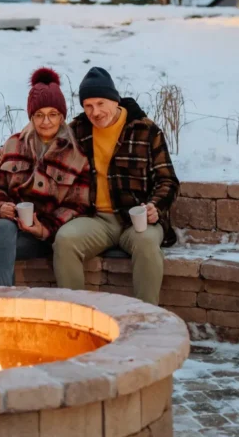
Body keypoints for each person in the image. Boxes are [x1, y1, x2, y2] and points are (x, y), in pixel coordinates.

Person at [52, 66, 179, 305]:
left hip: (138, 219)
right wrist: (4, 153)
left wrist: (155, 206)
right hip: (96, 220)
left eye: (101, 103)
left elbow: (167, 180)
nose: (95, 112)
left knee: (146, 245)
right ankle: (75, 318)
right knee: (65, 240)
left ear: (114, 100)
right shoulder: (78, 130)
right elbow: (46, 147)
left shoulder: (145, 130)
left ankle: (147, 317)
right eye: (88, 106)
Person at [0, 68, 91, 287]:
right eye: (39, 115)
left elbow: (78, 205)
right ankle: (4, 298)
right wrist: (0, 206)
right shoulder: (14, 144)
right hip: (8, 230)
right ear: (31, 117)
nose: (46, 121)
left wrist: (43, 229)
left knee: (7, 245)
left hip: (44, 237)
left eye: (52, 114)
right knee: (2, 227)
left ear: (61, 117)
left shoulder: (76, 155)